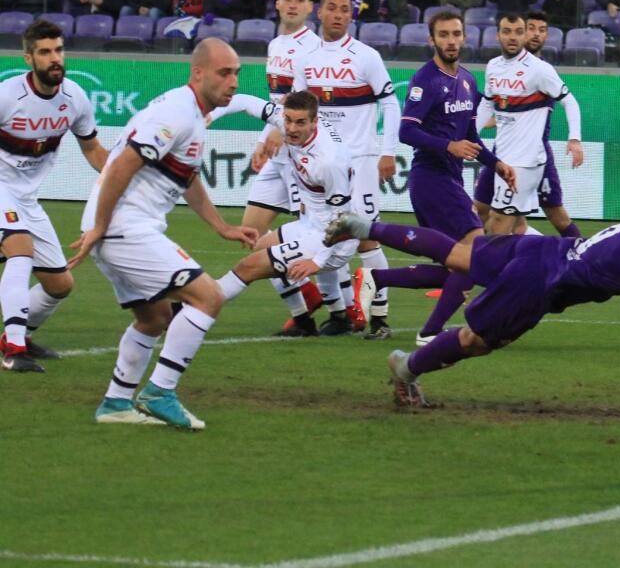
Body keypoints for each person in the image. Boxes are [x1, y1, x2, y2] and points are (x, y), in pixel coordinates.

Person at [323, 187, 620, 408]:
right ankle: (405, 368)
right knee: (474, 341)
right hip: (538, 282)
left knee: (456, 254)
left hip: (541, 250)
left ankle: (365, 227)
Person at [73, 39, 267, 429]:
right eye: (224, 73)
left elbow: (186, 177)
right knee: (208, 296)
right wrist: (101, 226)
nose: (233, 82)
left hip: (120, 227)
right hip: (123, 226)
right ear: (198, 73)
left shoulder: (193, 115)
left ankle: (115, 404)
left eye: (237, 73)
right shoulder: (177, 112)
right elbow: (121, 166)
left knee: (154, 317)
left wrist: (222, 227)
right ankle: (160, 391)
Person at [359, 10, 515, 347]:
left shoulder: (468, 80)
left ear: (464, 37)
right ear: (432, 40)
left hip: (450, 179)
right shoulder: (425, 80)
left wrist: (497, 164)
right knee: (475, 253)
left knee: (456, 266)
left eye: (456, 34)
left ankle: (377, 278)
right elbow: (406, 131)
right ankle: (429, 332)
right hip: (430, 180)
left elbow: (470, 135)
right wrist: (448, 145)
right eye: (443, 35)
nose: (451, 41)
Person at [224, 0, 331, 335]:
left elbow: (304, 102)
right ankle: (303, 313)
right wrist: (264, 140)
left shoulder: (314, 47)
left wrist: (277, 131)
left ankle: (344, 309)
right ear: (278, 2)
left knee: (315, 234)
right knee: (252, 236)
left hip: (302, 155)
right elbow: (276, 102)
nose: (293, 4)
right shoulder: (276, 44)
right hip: (278, 152)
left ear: (310, 7)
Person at [292, 0, 401, 339]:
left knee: (366, 238)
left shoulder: (366, 56)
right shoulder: (305, 58)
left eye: (344, 10)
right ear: (319, 13)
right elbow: (297, 111)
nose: (338, 14)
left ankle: (380, 319)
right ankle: (339, 314)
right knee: (321, 236)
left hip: (361, 161)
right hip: (321, 165)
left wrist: (388, 152)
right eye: (332, 8)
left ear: (351, 16)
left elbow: (391, 104)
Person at [0, 22, 108, 373]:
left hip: (26, 200)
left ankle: (20, 334)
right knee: (20, 249)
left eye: (58, 50)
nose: (54, 58)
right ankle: (13, 349)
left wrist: (124, 178)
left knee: (59, 285)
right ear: (28, 58)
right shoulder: (7, 96)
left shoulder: (74, 97)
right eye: (45, 52)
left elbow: (93, 149)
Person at [214, 91, 362, 337]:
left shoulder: (328, 162)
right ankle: (312, 321)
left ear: (315, 122)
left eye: (300, 122)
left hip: (334, 240)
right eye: (288, 120)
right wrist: (207, 117)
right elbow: (243, 101)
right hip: (311, 224)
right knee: (260, 246)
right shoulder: (286, 122)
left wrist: (317, 261)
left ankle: (194, 305)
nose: (291, 129)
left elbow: (343, 222)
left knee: (248, 267)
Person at [472, 10, 584, 241]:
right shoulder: (493, 66)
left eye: (518, 32)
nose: (513, 37)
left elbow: (569, 101)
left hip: (528, 158)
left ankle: (582, 253)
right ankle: (531, 257)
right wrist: (469, 134)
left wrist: (574, 138)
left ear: (523, 36)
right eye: (507, 32)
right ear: (497, 35)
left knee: (544, 215)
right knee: (485, 211)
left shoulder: (540, 69)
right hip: (500, 155)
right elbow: (488, 104)